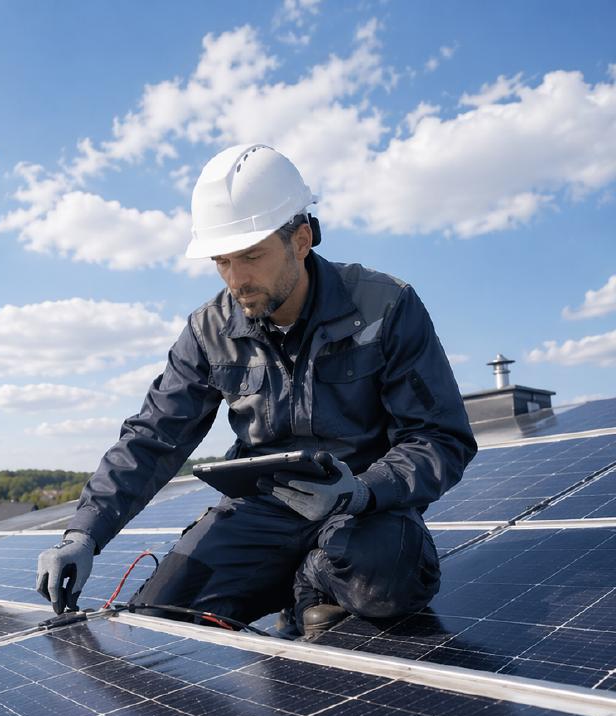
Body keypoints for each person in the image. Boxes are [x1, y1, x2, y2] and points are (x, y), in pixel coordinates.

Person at [35, 143, 476, 638]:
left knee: (388, 578)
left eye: (250, 256)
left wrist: (362, 491)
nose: (236, 279)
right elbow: (153, 437)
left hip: (361, 512)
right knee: (160, 620)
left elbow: (440, 439)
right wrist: (83, 534)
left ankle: (310, 581)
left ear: (301, 239)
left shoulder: (385, 306)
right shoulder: (209, 330)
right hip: (262, 511)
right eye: (221, 260)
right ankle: (289, 578)